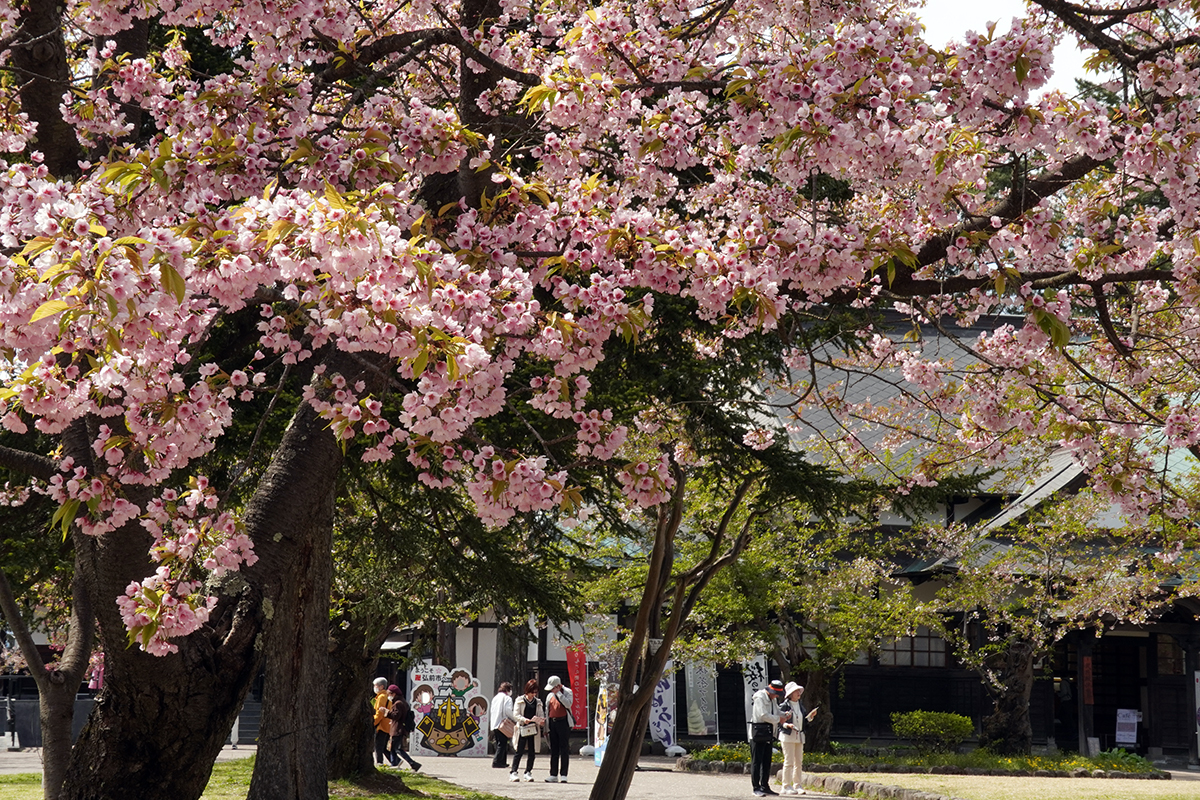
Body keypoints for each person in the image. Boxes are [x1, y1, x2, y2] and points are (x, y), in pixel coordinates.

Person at [778, 681, 817, 795]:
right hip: (787, 736)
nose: (798, 693)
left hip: (799, 736)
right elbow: (779, 722)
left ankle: (797, 785)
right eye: (795, 691)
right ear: (790, 694)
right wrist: (787, 725)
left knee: (798, 762)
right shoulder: (784, 705)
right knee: (788, 761)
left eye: (798, 691)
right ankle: (786, 786)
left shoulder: (800, 705)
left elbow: (802, 721)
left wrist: (810, 717)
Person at [750, 679, 786, 797]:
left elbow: (776, 711)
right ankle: (756, 787)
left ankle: (765, 786)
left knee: (767, 760)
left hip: (769, 732)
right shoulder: (760, 698)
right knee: (757, 761)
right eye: (776, 693)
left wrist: (785, 715)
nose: (776, 696)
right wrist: (778, 719)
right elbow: (763, 715)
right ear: (770, 690)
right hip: (758, 732)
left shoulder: (773, 699)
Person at [510, 678, 544, 783]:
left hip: (533, 729)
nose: (533, 694)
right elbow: (515, 715)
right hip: (522, 728)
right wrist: (524, 720)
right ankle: (513, 772)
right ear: (527, 690)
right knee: (519, 751)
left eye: (535, 692)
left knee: (532, 752)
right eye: (532, 692)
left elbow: (541, 714)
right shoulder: (520, 700)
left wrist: (540, 721)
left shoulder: (538, 702)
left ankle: (528, 772)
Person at [543, 675, 574, 783]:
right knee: (554, 749)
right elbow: (547, 711)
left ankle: (564, 774)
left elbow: (568, 704)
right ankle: (553, 774)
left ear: (558, 685)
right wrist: (546, 728)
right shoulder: (549, 696)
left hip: (564, 722)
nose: (551, 689)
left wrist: (559, 694)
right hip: (552, 722)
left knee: (564, 748)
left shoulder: (567, 692)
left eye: (553, 687)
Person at [385, 685, 423, 772]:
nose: (389, 696)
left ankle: (413, 763)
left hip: (398, 729)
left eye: (389, 694)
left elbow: (396, 716)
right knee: (393, 748)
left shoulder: (398, 703)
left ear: (394, 694)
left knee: (398, 748)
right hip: (399, 728)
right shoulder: (402, 702)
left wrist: (387, 713)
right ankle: (394, 763)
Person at [490, 682, 516, 769]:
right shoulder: (507, 698)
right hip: (503, 723)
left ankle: (502, 761)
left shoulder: (496, 697)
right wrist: (515, 718)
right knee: (503, 743)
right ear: (508, 690)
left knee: (499, 742)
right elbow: (508, 710)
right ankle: (497, 761)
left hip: (495, 723)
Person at [371, 677, 392, 766]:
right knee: (382, 747)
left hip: (381, 725)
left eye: (376, 686)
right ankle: (395, 760)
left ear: (381, 686)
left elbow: (379, 713)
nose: (374, 687)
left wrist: (373, 722)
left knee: (378, 746)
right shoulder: (387, 696)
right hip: (386, 724)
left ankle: (380, 763)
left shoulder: (381, 697)